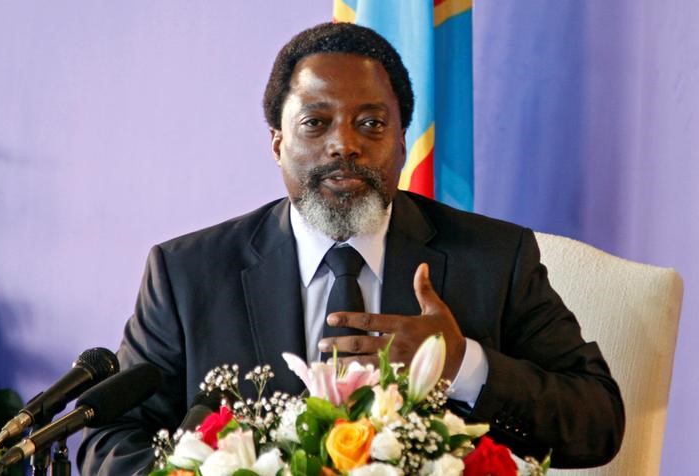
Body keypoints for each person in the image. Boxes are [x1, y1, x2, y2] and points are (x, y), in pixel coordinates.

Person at [78, 22, 624, 474]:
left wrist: (461, 363)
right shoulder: (188, 274)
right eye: (316, 123)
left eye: (371, 123)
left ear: (403, 142)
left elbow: (597, 422)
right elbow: (106, 439)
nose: (345, 143)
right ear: (277, 143)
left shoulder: (495, 260)